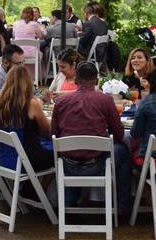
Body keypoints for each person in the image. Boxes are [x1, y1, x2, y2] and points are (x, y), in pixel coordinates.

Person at [51, 61, 132, 215]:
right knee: (123, 151)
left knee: (70, 151)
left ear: (76, 80)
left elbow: (53, 134)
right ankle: (123, 209)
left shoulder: (61, 101)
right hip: (97, 165)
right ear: (96, 80)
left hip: (67, 165)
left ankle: (69, 205)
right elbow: (119, 135)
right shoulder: (105, 100)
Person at [0, 64, 53, 171]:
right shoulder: (30, 103)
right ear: (28, 82)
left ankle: (31, 186)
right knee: (60, 155)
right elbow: (47, 128)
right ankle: (36, 188)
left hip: (4, 157)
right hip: (25, 159)